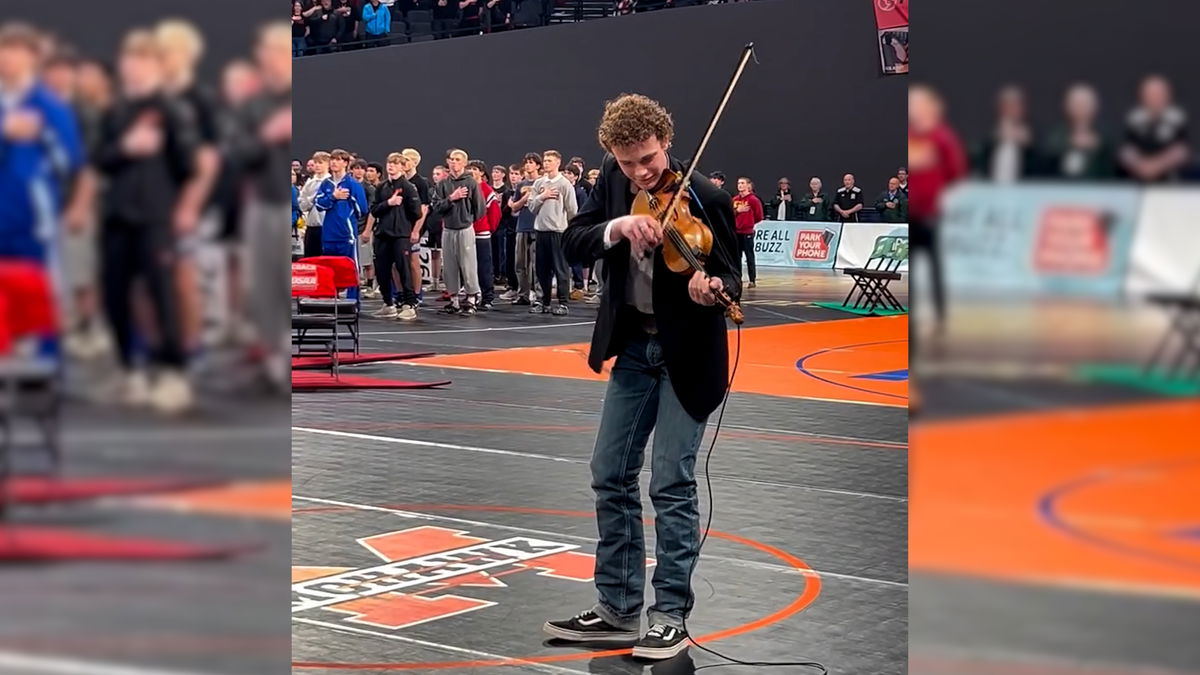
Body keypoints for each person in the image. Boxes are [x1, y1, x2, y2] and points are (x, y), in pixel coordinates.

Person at [546, 93, 740, 660]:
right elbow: (575, 240)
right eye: (629, 162)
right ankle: (617, 607)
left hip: (687, 356)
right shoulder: (611, 181)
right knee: (609, 471)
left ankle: (670, 614)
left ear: (667, 143)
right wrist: (619, 224)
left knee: (671, 484)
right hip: (634, 350)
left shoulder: (705, 197)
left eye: (649, 159)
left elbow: (729, 272)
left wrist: (714, 288)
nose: (641, 171)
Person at [430, 148, 484, 314]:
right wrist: (451, 198)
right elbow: (436, 207)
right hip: (448, 229)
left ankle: (471, 297)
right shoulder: (443, 184)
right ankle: (453, 299)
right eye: (452, 159)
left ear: (464, 163)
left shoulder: (471, 182)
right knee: (449, 266)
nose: (454, 162)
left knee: (468, 264)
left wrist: (467, 219)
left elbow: (480, 208)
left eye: (458, 159)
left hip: (465, 228)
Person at [371, 152, 422, 319]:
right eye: (389, 163)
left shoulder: (408, 187)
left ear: (402, 166)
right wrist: (389, 203)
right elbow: (374, 209)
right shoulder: (382, 187)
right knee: (382, 270)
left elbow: (416, 212)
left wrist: (403, 221)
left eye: (395, 163)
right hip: (382, 234)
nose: (391, 166)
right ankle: (388, 303)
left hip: (400, 235)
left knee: (404, 269)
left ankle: (409, 304)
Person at [315, 148, 369, 298]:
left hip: (346, 234)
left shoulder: (353, 184)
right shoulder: (326, 184)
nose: (334, 162)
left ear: (345, 163)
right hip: (328, 233)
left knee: (350, 269)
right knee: (328, 269)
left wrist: (349, 203)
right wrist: (333, 196)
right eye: (332, 159)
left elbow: (363, 208)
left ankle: (353, 302)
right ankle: (330, 299)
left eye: (338, 160)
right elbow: (319, 204)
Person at [732, 176, 762, 288]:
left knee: (749, 256)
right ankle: (737, 278)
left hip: (747, 232)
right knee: (736, 257)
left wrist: (749, 223)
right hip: (736, 232)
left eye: (742, 183)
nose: (740, 185)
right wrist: (737, 211)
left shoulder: (753, 200)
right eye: (738, 183)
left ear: (748, 185)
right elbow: (729, 214)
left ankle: (752, 280)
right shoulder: (735, 200)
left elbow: (759, 216)